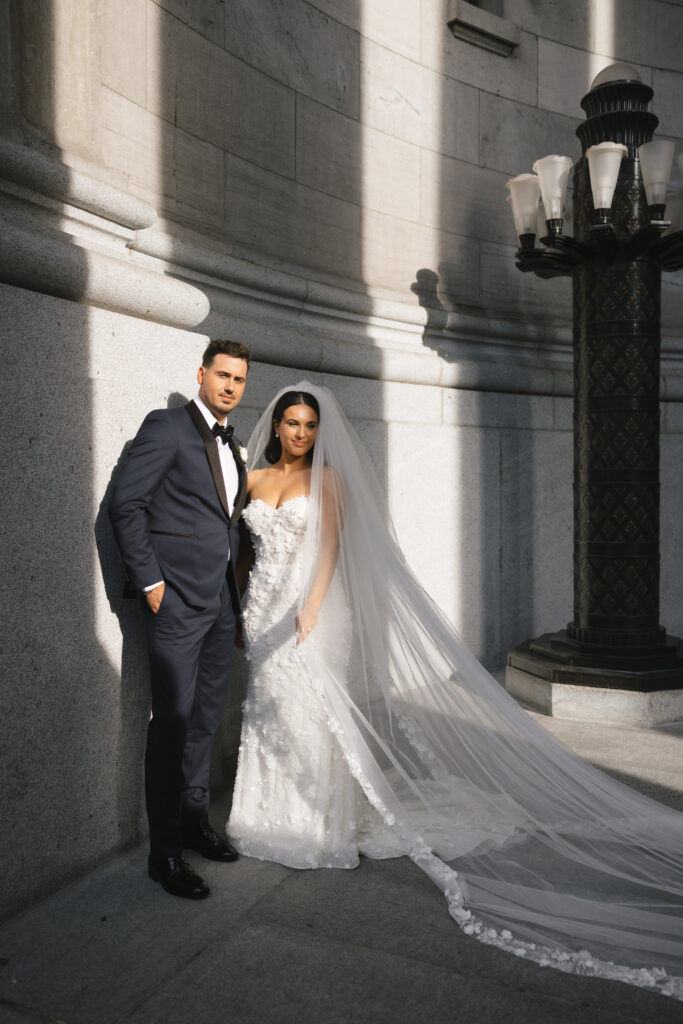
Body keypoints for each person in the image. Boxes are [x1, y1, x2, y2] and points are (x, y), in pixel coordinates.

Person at [228, 381, 683, 1002]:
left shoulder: (327, 482)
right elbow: (244, 554)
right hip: (260, 612)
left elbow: (329, 548)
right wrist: (244, 608)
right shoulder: (251, 480)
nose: (302, 434)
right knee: (266, 710)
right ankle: (261, 817)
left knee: (313, 713)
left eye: (310, 425)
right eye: (293, 424)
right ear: (276, 426)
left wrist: (309, 609)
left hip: (308, 612)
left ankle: (317, 826)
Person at [109, 339, 250, 899]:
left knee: (203, 721)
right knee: (170, 724)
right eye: (222, 375)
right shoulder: (167, 427)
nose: (230, 386)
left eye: (239, 379)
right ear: (201, 374)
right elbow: (125, 503)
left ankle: (194, 824)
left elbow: (225, 522)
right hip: (174, 603)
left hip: (219, 604)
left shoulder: (232, 442)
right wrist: (151, 583)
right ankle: (164, 855)